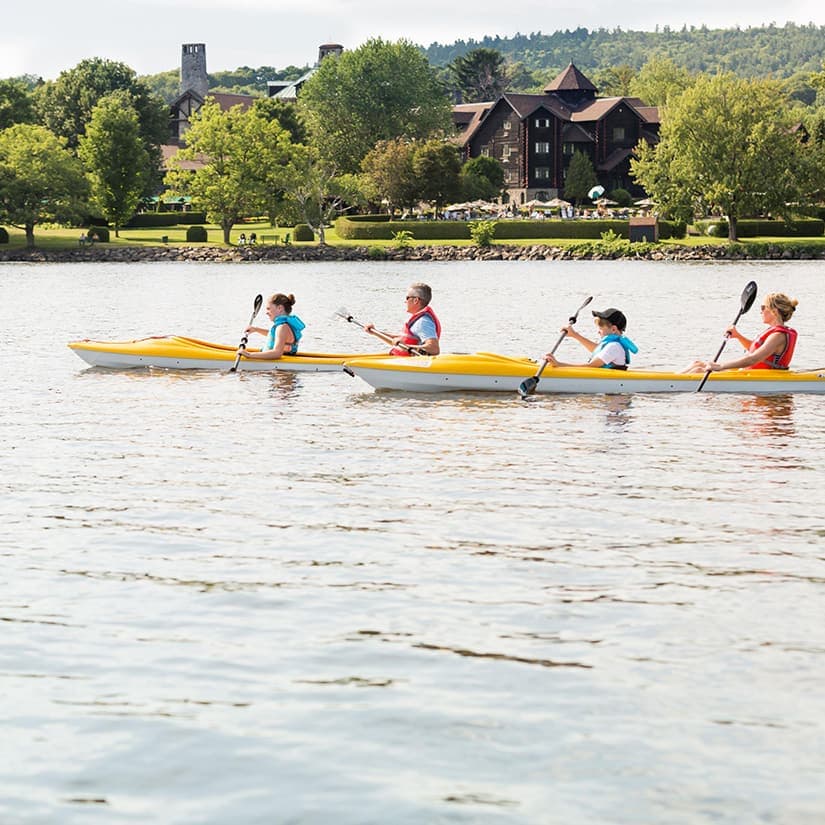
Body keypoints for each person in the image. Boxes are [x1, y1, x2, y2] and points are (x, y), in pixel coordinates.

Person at [687, 292, 798, 372]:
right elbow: (757, 351)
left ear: (774, 312)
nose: (761, 311)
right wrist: (738, 336)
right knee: (696, 364)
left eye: (763, 307)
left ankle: (672, 388)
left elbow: (753, 359)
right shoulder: (775, 333)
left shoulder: (778, 336)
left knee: (697, 370)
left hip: (762, 377)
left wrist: (720, 366)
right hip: (751, 373)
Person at [545, 307, 638, 369]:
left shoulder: (614, 346)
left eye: (600, 328)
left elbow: (591, 366)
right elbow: (597, 349)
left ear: (613, 329)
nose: (598, 331)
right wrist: (574, 335)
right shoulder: (613, 345)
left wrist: (559, 365)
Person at [365, 282, 441, 356]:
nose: (405, 301)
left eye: (407, 298)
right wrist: (375, 332)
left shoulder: (423, 322)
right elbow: (398, 341)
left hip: (413, 365)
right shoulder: (418, 321)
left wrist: (407, 347)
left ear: (416, 300)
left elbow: (434, 349)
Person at [237, 293, 305, 360]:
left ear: (280, 308)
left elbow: (277, 353)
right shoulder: (284, 326)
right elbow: (276, 335)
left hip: (279, 361)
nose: (266, 312)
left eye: (268, 309)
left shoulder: (282, 327)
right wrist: (256, 329)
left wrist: (249, 355)